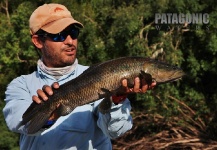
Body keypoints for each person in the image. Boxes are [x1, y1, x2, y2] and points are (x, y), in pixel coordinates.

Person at [3, 3, 156, 150]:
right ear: (38, 41)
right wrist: (50, 114)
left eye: (73, 33)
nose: (70, 41)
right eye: (59, 35)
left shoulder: (102, 76)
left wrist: (118, 99)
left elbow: (115, 131)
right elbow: (20, 122)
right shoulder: (21, 84)